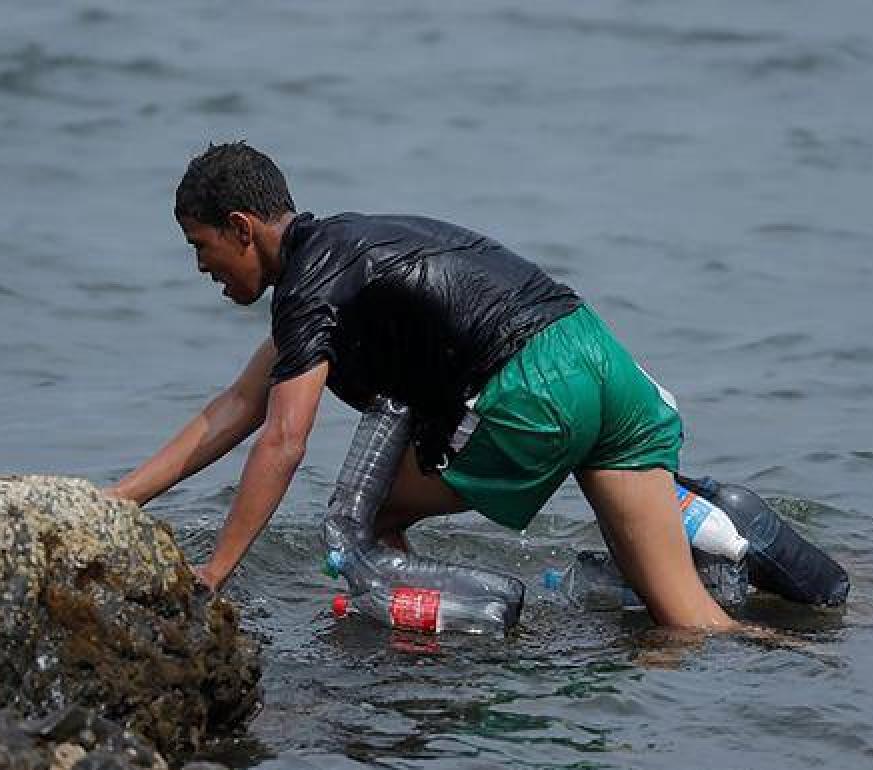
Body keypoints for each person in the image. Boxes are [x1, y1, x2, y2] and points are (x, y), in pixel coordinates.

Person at [106, 141, 736, 631]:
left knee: (366, 519)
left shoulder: (310, 287)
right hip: (601, 361)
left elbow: (283, 441)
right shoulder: (344, 256)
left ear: (242, 228)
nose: (199, 267)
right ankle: (809, 652)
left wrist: (213, 573)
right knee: (690, 624)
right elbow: (240, 404)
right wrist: (124, 496)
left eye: (201, 245)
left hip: (534, 389)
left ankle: (425, 643)